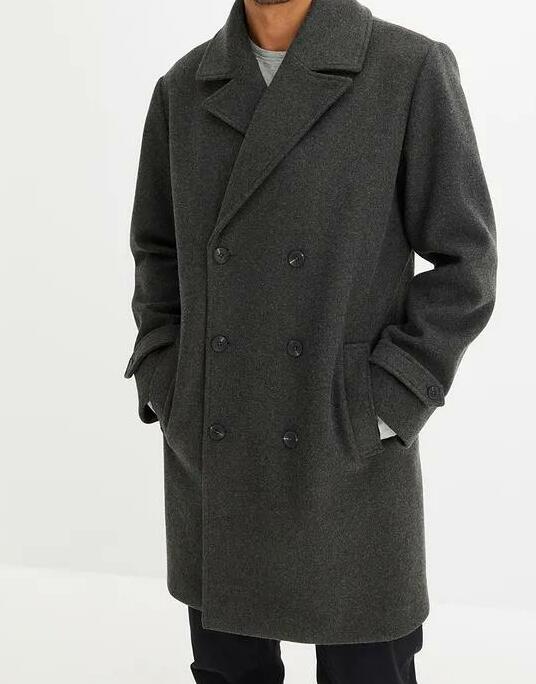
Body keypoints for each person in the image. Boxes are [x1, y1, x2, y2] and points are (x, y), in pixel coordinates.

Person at [124, 0, 497, 681]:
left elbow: (465, 262)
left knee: (369, 667)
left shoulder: (407, 69)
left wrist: (390, 399)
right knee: (230, 668)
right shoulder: (183, 89)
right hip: (221, 446)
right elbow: (157, 251)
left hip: (347, 448)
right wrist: (167, 378)